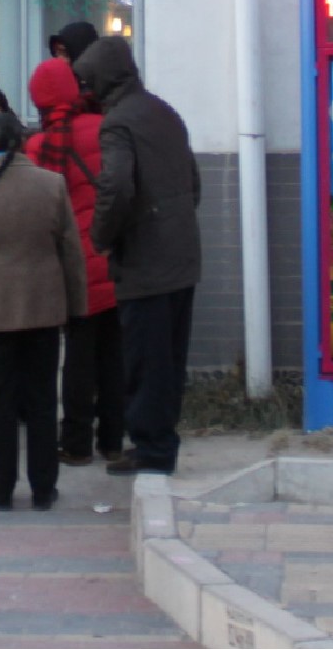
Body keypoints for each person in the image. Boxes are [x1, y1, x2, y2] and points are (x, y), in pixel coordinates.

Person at [74, 37, 201, 477]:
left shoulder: (117, 123)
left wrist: (102, 236)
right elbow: (193, 180)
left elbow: (116, 186)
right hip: (182, 256)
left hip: (145, 263)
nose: (86, 90)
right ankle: (161, 442)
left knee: (146, 361)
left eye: (87, 82)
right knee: (169, 360)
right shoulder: (165, 112)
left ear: (101, 79)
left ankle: (152, 450)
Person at [0, 111, 88, 511]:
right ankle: (43, 487)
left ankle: (1, 489)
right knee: (43, 401)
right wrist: (76, 308)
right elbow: (71, 252)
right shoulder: (52, 185)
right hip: (45, 310)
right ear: (25, 142)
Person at [24, 55, 121, 467]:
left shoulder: (39, 146)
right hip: (114, 259)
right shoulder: (106, 128)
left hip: (75, 268)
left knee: (78, 360)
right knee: (114, 356)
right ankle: (113, 440)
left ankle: (77, 442)